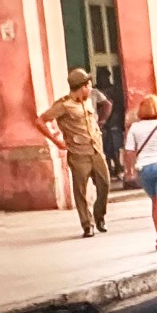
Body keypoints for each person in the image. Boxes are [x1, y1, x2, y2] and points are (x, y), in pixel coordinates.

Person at [40, 67, 113, 236]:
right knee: (80, 190)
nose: (90, 88)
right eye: (88, 85)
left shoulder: (87, 101)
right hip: (78, 153)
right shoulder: (64, 105)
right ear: (82, 86)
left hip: (96, 150)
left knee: (105, 184)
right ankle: (87, 224)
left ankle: (99, 215)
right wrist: (56, 140)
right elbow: (41, 121)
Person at [122, 95, 157, 253]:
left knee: (156, 203)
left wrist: (129, 171)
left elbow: (129, 151)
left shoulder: (134, 128)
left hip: (144, 169)